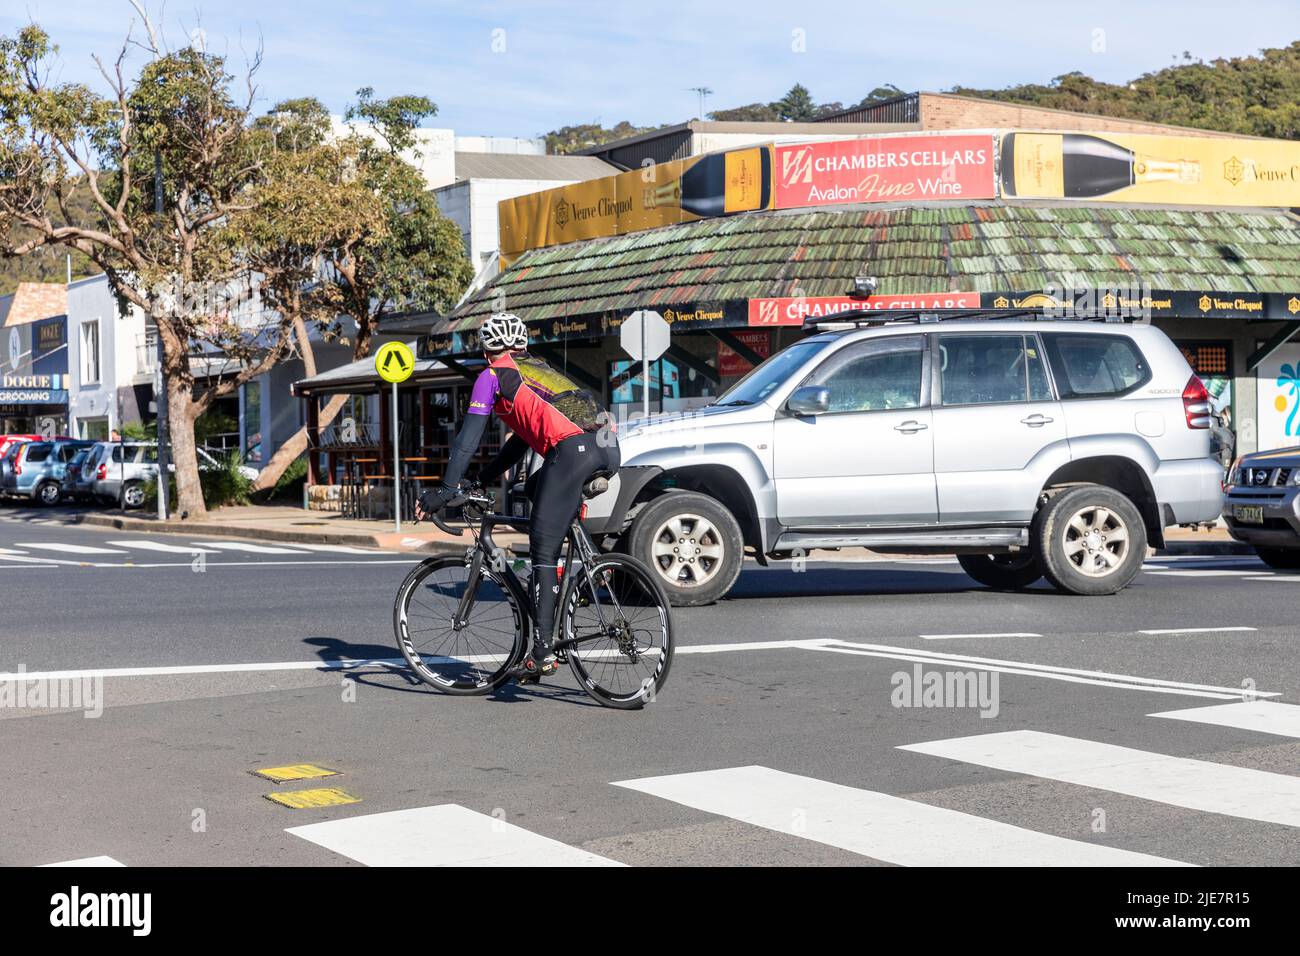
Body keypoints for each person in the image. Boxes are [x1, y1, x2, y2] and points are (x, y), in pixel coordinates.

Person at [415, 312, 619, 681]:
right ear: (522, 344)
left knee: (541, 549)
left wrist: (446, 490)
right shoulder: (536, 372)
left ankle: (541, 653)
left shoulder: (492, 376)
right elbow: (518, 445)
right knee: (535, 489)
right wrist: (480, 480)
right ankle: (590, 563)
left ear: (487, 348)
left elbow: (468, 439)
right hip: (607, 447)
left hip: (572, 452)